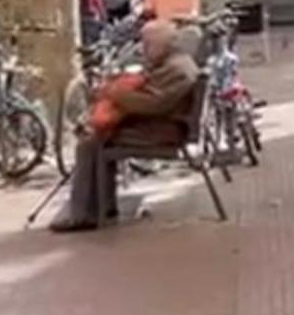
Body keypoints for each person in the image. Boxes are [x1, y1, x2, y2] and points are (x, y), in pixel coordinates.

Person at [52, 20, 202, 233]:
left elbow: (153, 103)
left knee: (91, 141)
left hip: (160, 131)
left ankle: (83, 214)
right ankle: (101, 206)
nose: (144, 49)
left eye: (148, 44)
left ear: (163, 44)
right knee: (96, 136)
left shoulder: (177, 69)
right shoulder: (176, 63)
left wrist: (114, 93)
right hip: (160, 124)